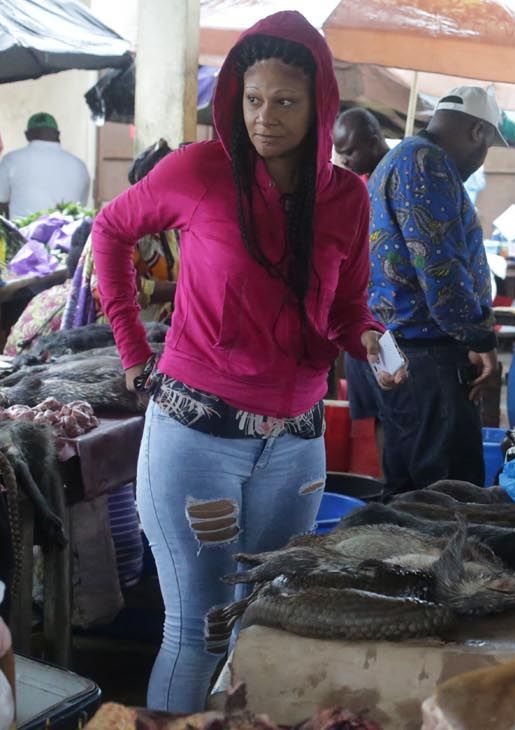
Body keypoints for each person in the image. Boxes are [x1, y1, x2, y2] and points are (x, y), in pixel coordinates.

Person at [92, 12, 404, 711]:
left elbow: (351, 306)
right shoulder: (202, 170)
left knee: (260, 625)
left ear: (319, 106)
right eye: (252, 99)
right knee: (199, 631)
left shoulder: (347, 199)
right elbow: (110, 230)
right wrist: (132, 348)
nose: (265, 118)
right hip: (196, 440)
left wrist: (374, 343)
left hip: (295, 448)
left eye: (285, 102)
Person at [368, 85, 505, 492]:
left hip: (403, 351)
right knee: (447, 496)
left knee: (409, 490)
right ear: (478, 132)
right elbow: (441, 268)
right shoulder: (427, 162)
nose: (480, 162)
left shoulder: (401, 158)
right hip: (428, 355)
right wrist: (479, 337)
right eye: (486, 149)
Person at [65, 140, 181, 329]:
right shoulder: (127, 225)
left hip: (157, 329)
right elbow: (109, 289)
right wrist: (182, 290)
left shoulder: (169, 227)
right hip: (118, 336)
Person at [331, 107, 390, 450]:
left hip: (387, 316)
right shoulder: (358, 185)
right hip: (359, 311)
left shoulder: (396, 177)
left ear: (373, 139)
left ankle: (398, 491)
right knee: (376, 413)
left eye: (351, 151)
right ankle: (387, 485)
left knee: (394, 409)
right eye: (341, 153)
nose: (347, 160)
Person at [0, 113, 91, 220]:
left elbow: (1, 200)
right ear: (57, 135)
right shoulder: (79, 166)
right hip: (69, 234)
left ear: (27, 135)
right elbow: (81, 206)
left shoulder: (11, 159)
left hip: (22, 233)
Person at [332, 107, 389, 179]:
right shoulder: (361, 183)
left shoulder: (401, 166)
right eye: (340, 154)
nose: (343, 161)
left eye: (349, 153)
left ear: (372, 143)